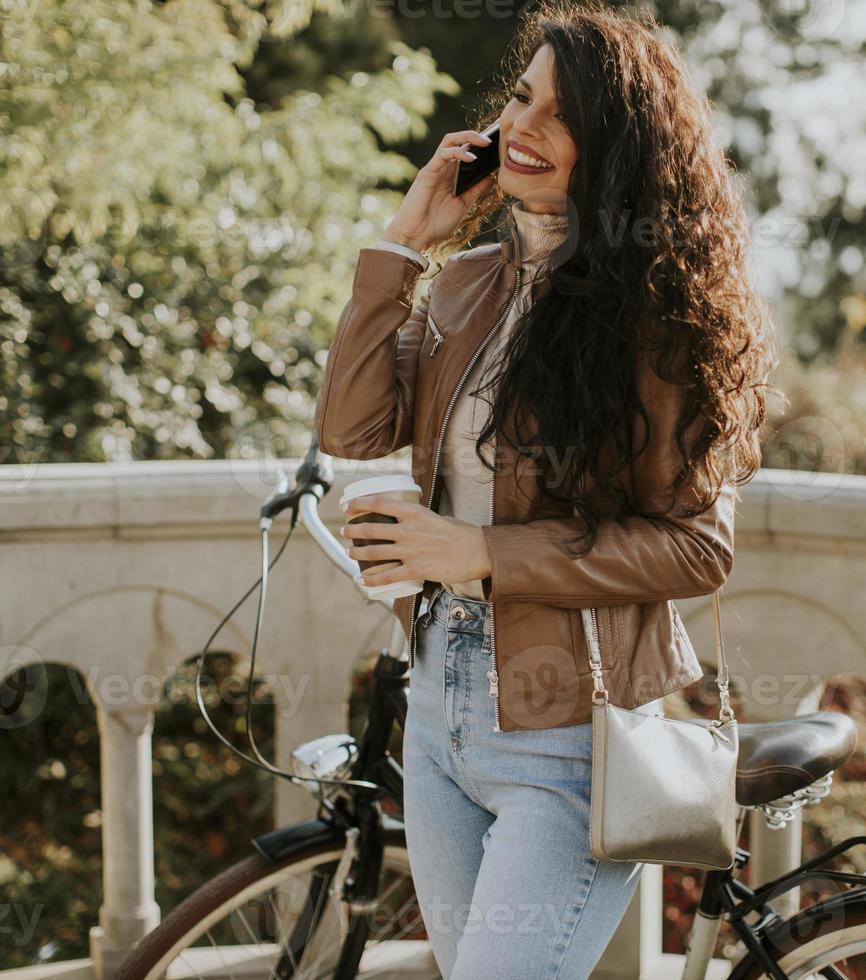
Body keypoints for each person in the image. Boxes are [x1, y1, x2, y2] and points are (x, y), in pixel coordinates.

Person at [313, 3, 780, 976]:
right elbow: (351, 432)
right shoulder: (465, 286)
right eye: (519, 98)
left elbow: (698, 544)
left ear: (614, 144)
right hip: (439, 713)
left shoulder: (659, 321)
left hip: (572, 734)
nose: (521, 127)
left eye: (558, 114)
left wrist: (482, 553)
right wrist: (405, 244)